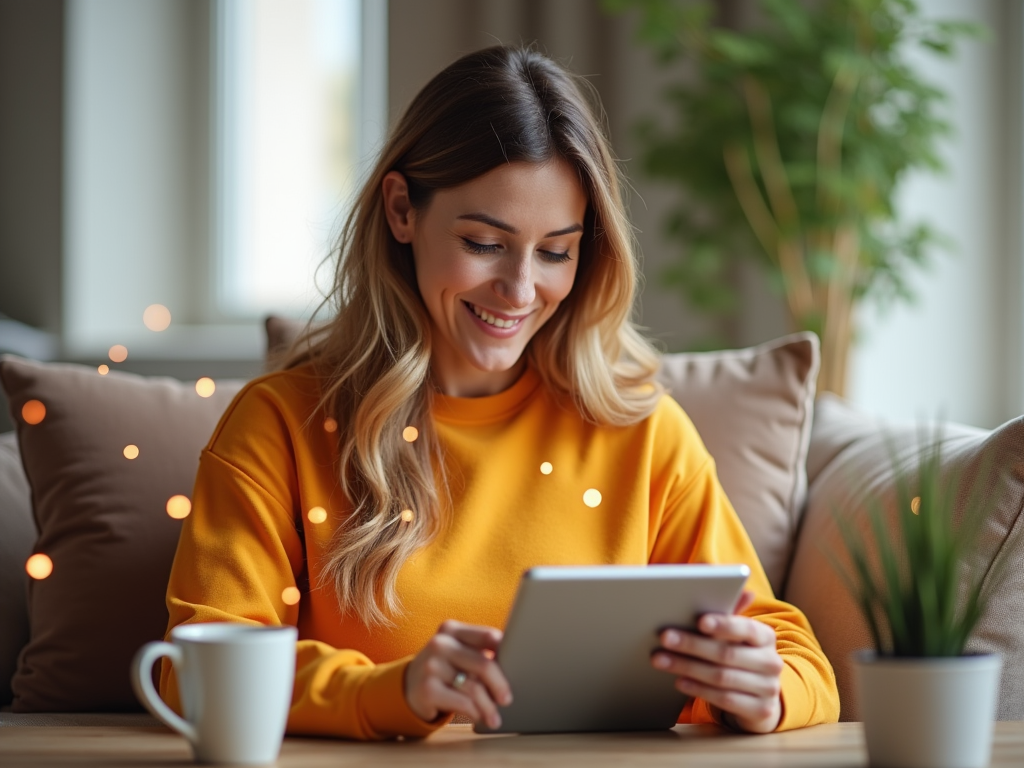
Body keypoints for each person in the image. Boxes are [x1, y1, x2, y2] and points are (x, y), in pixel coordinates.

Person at [160, 45, 839, 740]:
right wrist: (387, 691)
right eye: (485, 242)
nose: (520, 291)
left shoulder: (641, 431)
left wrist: (762, 690)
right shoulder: (281, 423)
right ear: (401, 210)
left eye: (555, 252)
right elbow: (194, 667)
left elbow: (801, 663)